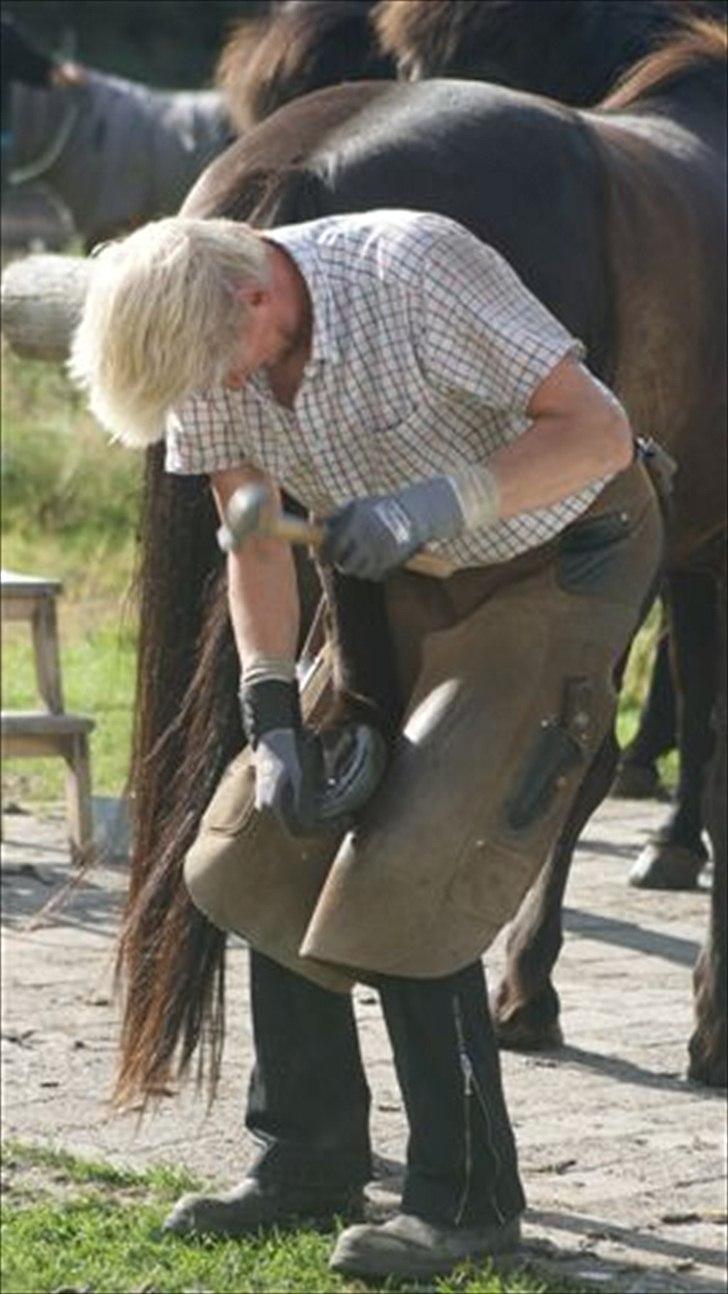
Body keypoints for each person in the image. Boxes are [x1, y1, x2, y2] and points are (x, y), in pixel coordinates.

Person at [69, 209, 663, 1281]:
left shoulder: (412, 271)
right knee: (263, 837)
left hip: (556, 554)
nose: (218, 392)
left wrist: (437, 502)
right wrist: (269, 711)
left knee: (417, 853)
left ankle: (467, 1197)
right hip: (396, 575)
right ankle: (304, 1158)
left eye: (218, 367)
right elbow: (251, 533)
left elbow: (596, 430)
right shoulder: (208, 337)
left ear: (256, 296)